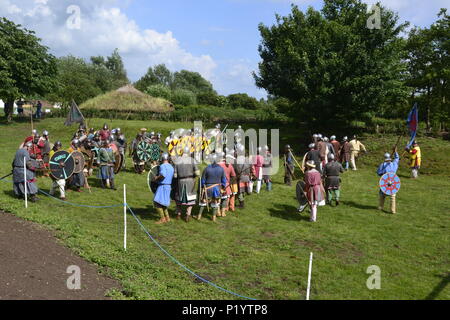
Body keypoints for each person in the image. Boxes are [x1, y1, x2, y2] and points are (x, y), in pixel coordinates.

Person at [173, 146, 200, 222]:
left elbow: (175, 175)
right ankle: (188, 214)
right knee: (190, 199)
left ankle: (178, 213)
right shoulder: (192, 160)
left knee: (179, 198)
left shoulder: (177, 160)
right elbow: (197, 173)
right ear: (188, 152)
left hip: (180, 181)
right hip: (190, 181)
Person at [197, 154, 227, 222]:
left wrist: (202, 187)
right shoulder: (221, 169)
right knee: (215, 202)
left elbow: (203, 180)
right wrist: (223, 187)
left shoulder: (207, 168)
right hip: (217, 188)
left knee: (203, 201)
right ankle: (213, 217)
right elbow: (223, 180)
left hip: (207, 188)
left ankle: (199, 216)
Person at [153, 153, 175, 224]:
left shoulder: (163, 166)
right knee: (163, 203)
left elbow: (163, 175)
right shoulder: (171, 167)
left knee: (156, 202)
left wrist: (157, 178)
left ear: (162, 158)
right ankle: (167, 218)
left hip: (163, 186)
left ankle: (162, 219)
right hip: (168, 186)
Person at [218, 152, 237, 217]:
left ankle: (220, 211)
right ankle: (221, 212)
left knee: (221, 198)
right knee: (223, 198)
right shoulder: (224, 165)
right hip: (224, 184)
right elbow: (233, 175)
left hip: (221, 183)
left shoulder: (220, 164)